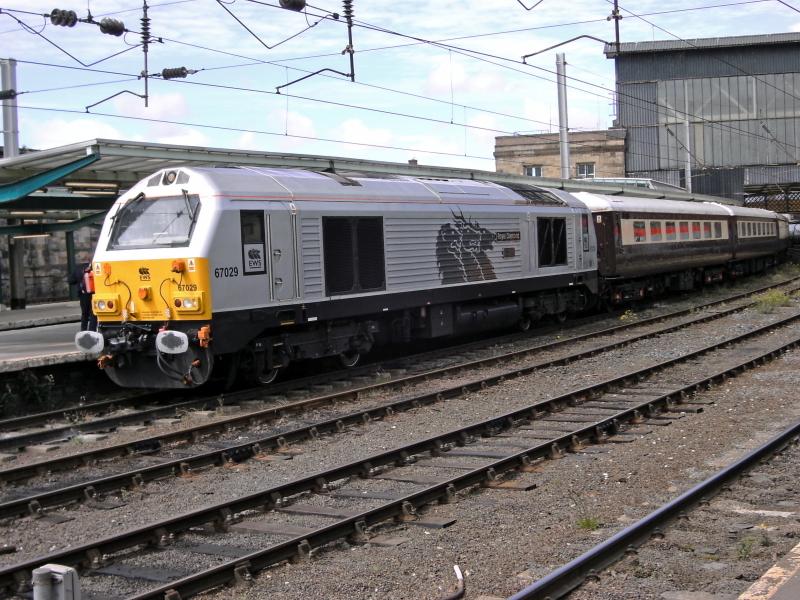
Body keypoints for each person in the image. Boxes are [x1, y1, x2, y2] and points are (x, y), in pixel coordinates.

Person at [68, 254, 97, 331]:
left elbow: (71, 281)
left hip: (83, 295)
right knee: (93, 313)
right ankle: (92, 330)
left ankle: (83, 330)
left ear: (81, 260)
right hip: (93, 294)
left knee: (84, 314)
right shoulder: (93, 267)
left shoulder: (77, 269)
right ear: (89, 259)